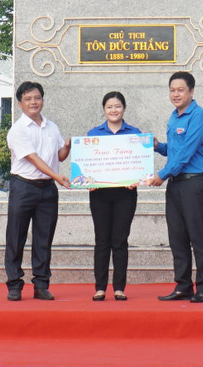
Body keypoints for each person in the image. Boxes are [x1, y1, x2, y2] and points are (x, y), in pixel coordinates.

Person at [142, 71, 203, 303]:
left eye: (180, 90)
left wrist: (161, 174)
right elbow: (174, 149)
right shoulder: (174, 117)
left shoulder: (198, 116)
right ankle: (183, 286)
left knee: (198, 237)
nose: (176, 94)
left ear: (191, 92)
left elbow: (185, 153)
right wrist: (157, 146)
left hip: (193, 183)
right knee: (177, 238)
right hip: (175, 185)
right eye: (172, 90)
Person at [4, 80, 70, 301]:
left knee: (44, 238)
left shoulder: (52, 127)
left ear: (42, 99)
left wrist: (69, 146)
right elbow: (33, 158)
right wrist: (57, 176)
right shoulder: (18, 129)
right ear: (20, 103)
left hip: (47, 189)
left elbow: (59, 156)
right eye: (28, 99)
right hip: (23, 186)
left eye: (37, 98)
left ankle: (41, 284)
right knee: (16, 236)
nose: (33, 102)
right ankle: (14, 284)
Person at [86, 91, 143, 301]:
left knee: (120, 240)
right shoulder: (93, 134)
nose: (113, 110)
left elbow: (140, 164)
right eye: (109, 107)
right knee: (102, 240)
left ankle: (119, 287)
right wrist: (88, 180)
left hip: (125, 194)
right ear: (104, 110)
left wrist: (137, 177)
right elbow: (86, 166)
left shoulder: (135, 134)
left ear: (124, 109)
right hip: (99, 193)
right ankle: (100, 287)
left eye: (117, 106)